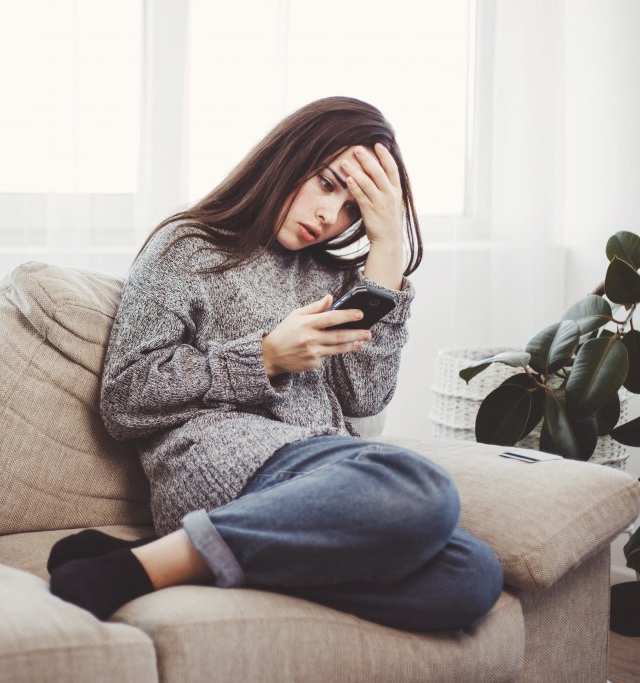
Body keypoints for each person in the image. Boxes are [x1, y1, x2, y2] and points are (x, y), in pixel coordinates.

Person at [47, 96, 503, 632]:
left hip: (319, 474)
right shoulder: (188, 247)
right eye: (328, 185)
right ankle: (138, 569)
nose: (329, 217)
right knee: (420, 487)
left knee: (471, 576)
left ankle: (196, 554)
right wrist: (264, 358)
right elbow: (124, 400)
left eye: (353, 210)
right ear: (289, 157)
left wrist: (386, 254)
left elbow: (364, 400)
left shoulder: (331, 276)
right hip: (224, 461)